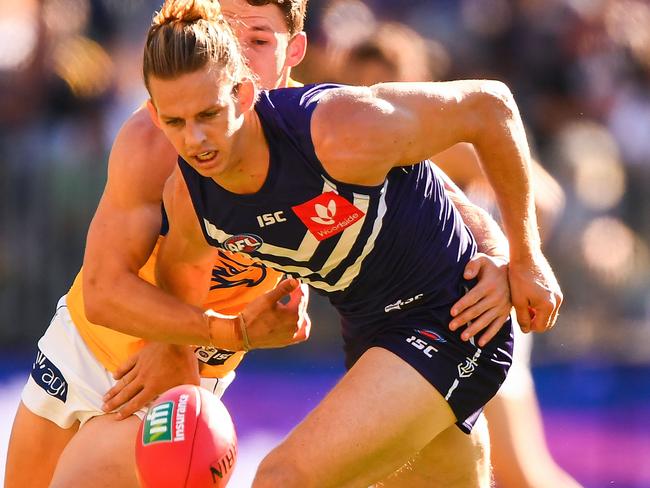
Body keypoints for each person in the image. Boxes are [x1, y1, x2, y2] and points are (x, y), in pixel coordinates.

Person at [4, 1, 510, 487]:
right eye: (228, 30)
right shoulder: (158, 137)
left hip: (196, 368)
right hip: (92, 348)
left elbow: (436, 187)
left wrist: (502, 254)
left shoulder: (323, 127)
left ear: (294, 50)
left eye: (259, 39)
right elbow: (105, 290)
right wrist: (196, 334)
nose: (239, 51)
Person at [141, 1, 563, 486]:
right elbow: (178, 280)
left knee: (281, 478)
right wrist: (210, 340)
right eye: (175, 123)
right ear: (154, 116)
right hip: (370, 338)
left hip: (454, 317)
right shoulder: (190, 197)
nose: (196, 140)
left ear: (241, 93)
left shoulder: (334, 128)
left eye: (209, 114)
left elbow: (491, 106)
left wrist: (524, 258)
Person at [337, 22, 580, 488]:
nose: (370, 98)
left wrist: (511, 266)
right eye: (358, 86)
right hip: (425, 320)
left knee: (520, 472)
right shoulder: (348, 149)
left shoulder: (439, 143)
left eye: (381, 85)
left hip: (480, 308)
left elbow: (545, 199)